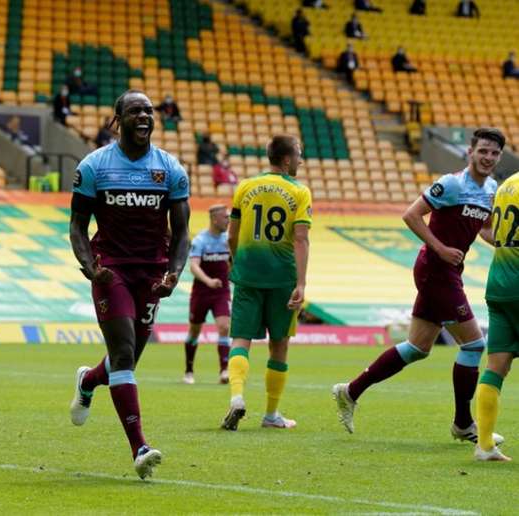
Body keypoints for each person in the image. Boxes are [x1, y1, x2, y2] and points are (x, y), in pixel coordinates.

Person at [333, 128, 506, 445]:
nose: (488, 158)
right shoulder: (451, 183)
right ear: (470, 152)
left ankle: (349, 391)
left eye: (494, 153)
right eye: (483, 151)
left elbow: (484, 229)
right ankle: (463, 423)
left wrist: (508, 243)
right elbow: (411, 215)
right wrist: (439, 248)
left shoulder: (492, 188)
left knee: (416, 349)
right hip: (435, 269)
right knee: (473, 345)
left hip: (448, 271)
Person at [68, 90, 190, 479]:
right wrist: (90, 268)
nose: (145, 116)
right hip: (112, 270)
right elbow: (77, 224)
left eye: (149, 111)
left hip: (152, 274)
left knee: (128, 361)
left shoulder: (170, 169)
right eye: (136, 110)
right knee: (123, 355)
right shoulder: (94, 166)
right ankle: (140, 447)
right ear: (117, 119)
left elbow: (183, 232)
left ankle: (89, 379)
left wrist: (174, 272)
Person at [221, 134, 312, 432]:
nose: (301, 159)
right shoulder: (300, 192)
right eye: (298, 154)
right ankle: (271, 414)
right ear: (286, 159)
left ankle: (236, 397)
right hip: (282, 276)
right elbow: (300, 238)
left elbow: (232, 235)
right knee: (279, 344)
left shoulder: (245, 187)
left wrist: (238, 260)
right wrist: (301, 283)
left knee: (240, 340)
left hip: (247, 273)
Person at [473, 172, 519, 461]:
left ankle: (485, 444)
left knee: (496, 366)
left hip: (499, 284)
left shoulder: (506, 185)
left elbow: (490, 232)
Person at [183, 205, 232, 385]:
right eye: (225, 217)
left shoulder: (229, 240)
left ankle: (224, 370)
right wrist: (209, 281)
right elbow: (194, 266)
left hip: (221, 291)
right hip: (202, 292)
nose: (228, 220)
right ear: (215, 219)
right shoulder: (201, 240)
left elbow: (234, 261)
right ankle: (189, 370)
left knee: (224, 327)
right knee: (194, 331)